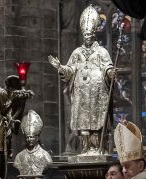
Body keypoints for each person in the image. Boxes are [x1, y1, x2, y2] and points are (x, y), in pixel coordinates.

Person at [48, 5, 115, 156]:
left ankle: (98, 148)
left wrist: (110, 72)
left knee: (97, 121)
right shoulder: (77, 53)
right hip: (82, 94)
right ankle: (85, 148)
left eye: (90, 34)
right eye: (85, 34)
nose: (88, 37)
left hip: (98, 94)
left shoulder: (101, 52)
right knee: (84, 121)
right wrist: (60, 67)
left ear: (94, 34)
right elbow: (70, 71)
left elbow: (108, 67)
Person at [13, 110, 53, 176]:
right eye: (27, 137)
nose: (29, 139)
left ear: (37, 138)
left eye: (31, 137)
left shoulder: (45, 155)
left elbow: (49, 164)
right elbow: (16, 165)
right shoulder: (19, 157)